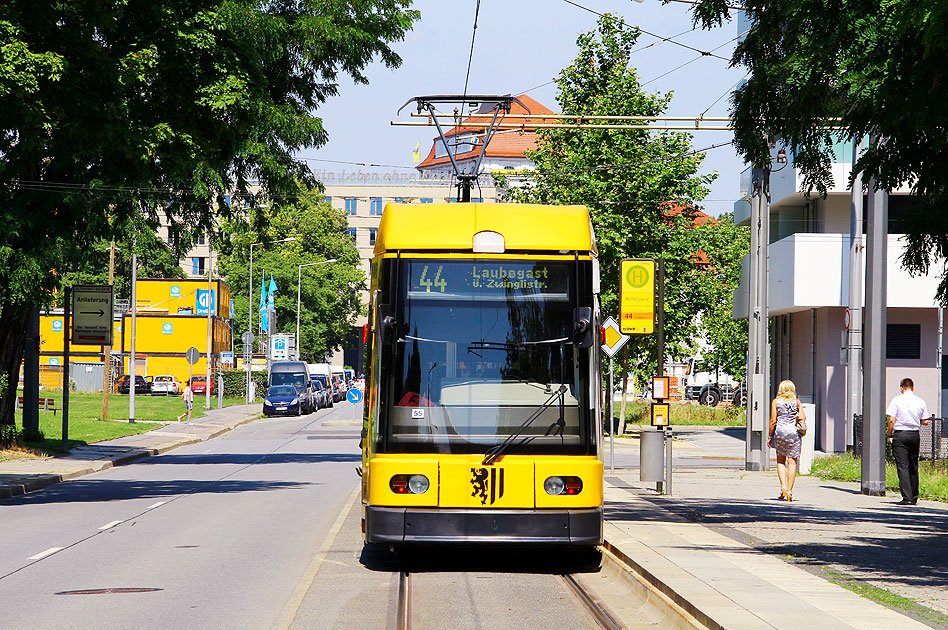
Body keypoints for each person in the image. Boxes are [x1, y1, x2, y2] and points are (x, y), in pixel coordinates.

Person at [886, 378, 930, 505]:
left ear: (902, 388)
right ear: (913, 387)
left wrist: (890, 434)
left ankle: (907, 497)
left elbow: (891, 420)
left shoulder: (896, 400)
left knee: (902, 466)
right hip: (914, 435)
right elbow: (925, 421)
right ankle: (915, 496)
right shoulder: (920, 401)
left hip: (900, 435)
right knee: (913, 465)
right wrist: (915, 420)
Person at [768, 380, 805, 501]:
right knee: (792, 462)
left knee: (780, 460)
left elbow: (773, 421)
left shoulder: (776, 402)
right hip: (793, 433)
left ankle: (783, 487)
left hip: (780, 433)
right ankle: (789, 491)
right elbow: (803, 417)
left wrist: (769, 436)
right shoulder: (797, 402)